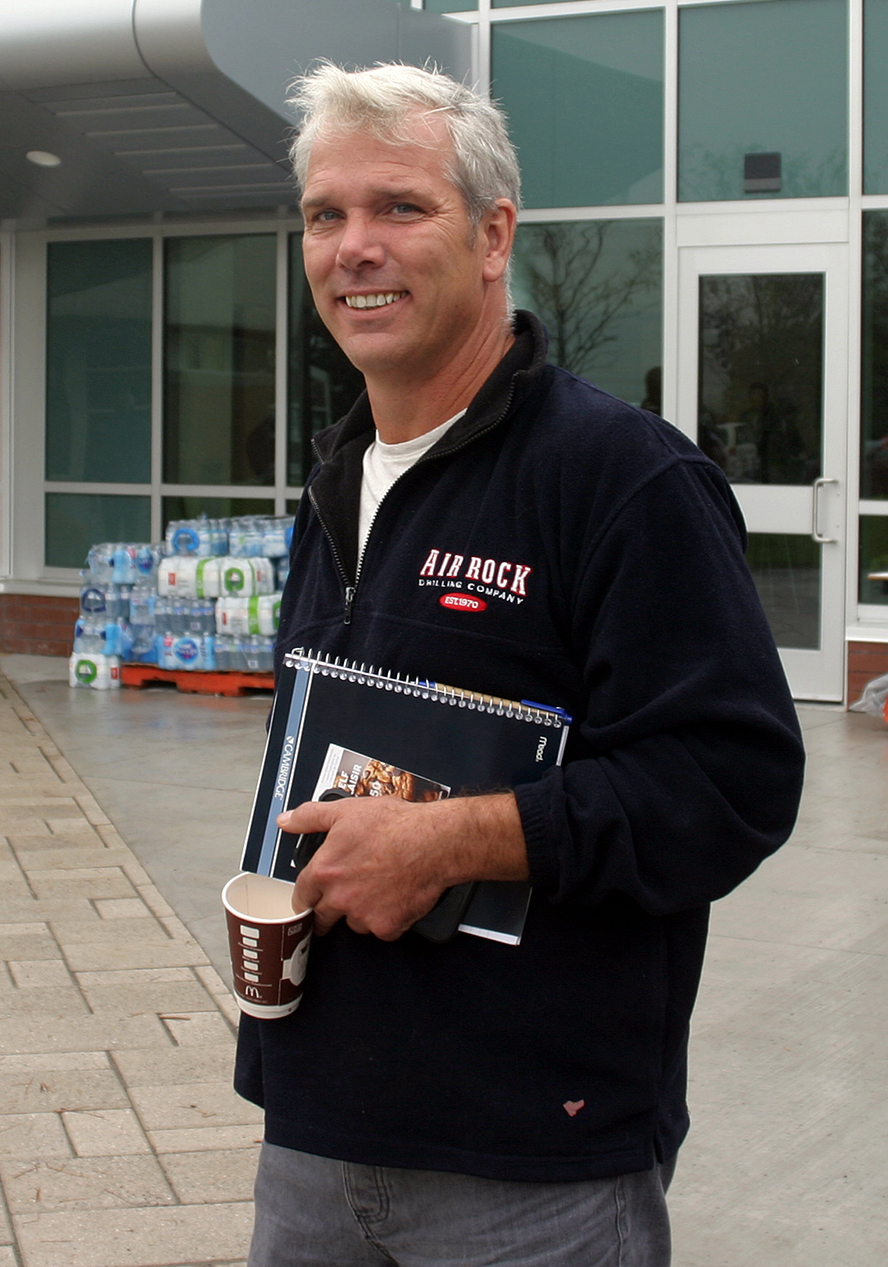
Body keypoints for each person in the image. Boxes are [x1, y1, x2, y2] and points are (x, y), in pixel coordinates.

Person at [235, 61, 805, 1267]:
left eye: (399, 206)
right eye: (324, 215)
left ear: (494, 236)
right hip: (315, 1129)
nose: (354, 248)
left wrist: (451, 842)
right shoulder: (337, 478)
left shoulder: (622, 480)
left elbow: (732, 781)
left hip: (532, 1168)